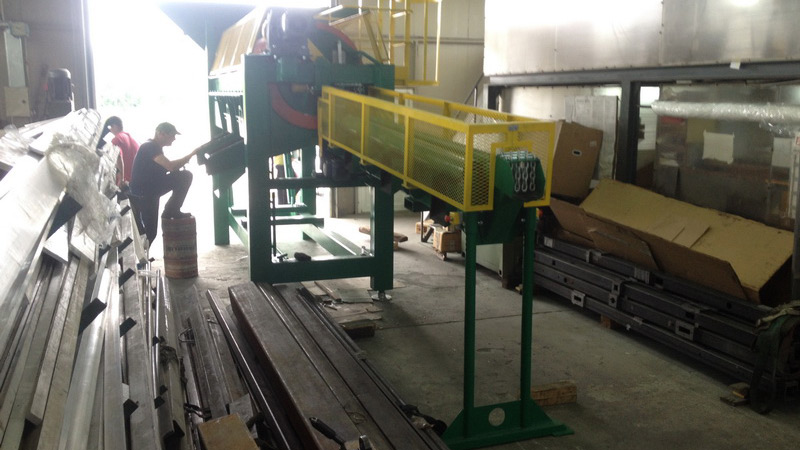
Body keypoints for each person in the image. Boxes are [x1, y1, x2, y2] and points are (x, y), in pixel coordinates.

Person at [129, 122, 199, 245]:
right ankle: (140, 254)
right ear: (161, 134)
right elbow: (170, 166)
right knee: (150, 233)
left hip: (151, 188)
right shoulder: (150, 147)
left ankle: (172, 210)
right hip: (144, 193)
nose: (174, 138)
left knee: (184, 176)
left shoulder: (154, 147)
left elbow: (163, 168)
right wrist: (191, 155)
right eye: (172, 135)